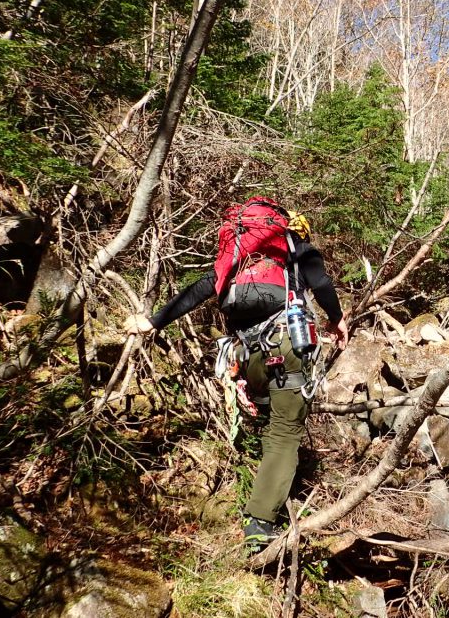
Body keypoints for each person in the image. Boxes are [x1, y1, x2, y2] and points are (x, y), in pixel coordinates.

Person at [124, 201, 348, 547]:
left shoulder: (238, 257)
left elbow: (200, 290)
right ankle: (259, 522)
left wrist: (152, 321)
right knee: (286, 431)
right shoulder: (294, 249)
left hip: (246, 353)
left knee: (267, 413)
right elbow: (321, 284)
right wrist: (337, 320)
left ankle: (260, 474)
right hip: (287, 343)